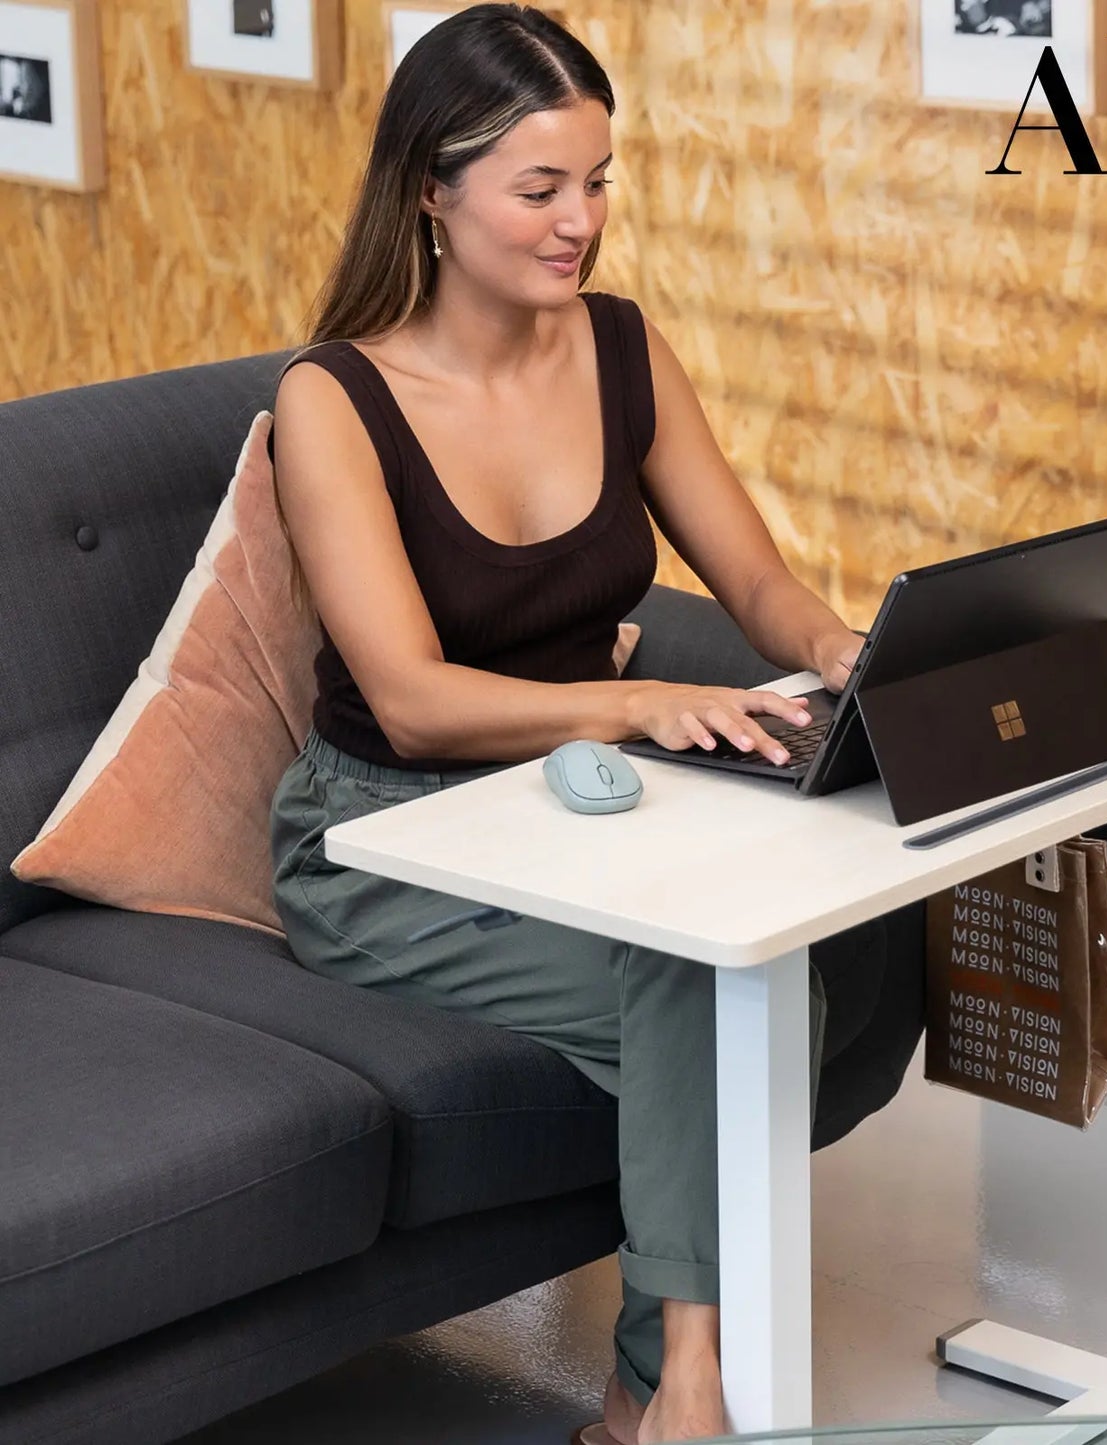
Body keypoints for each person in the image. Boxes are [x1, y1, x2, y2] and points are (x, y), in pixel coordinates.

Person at [267, 6, 870, 1442]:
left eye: (597, 181)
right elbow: (408, 698)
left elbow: (763, 584)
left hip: (580, 804)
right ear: (431, 187)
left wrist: (854, 651)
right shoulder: (335, 401)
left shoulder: (617, 348)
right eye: (540, 188)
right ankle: (684, 1399)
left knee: (792, 959)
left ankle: (642, 1400)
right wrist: (643, 696)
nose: (579, 221)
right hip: (386, 843)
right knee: (697, 982)